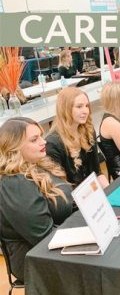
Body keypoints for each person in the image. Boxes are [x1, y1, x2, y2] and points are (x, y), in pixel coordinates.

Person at [0, 117, 73, 282]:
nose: (43, 141)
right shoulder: (15, 182)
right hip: (34, 259)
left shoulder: (39, 164)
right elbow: (43, 237)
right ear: (14, 148)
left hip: (57, 240)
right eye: (34, 139)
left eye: (41, 135)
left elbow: (68, 200)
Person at [46, 87, 109, 188]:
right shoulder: (53, 144)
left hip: (91, 191)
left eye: (87, 106)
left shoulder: (88, 130)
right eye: (79, 107)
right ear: (65, 109)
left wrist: (109, 192)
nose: (85, 111)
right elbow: (60, 187)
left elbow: (96, 172)